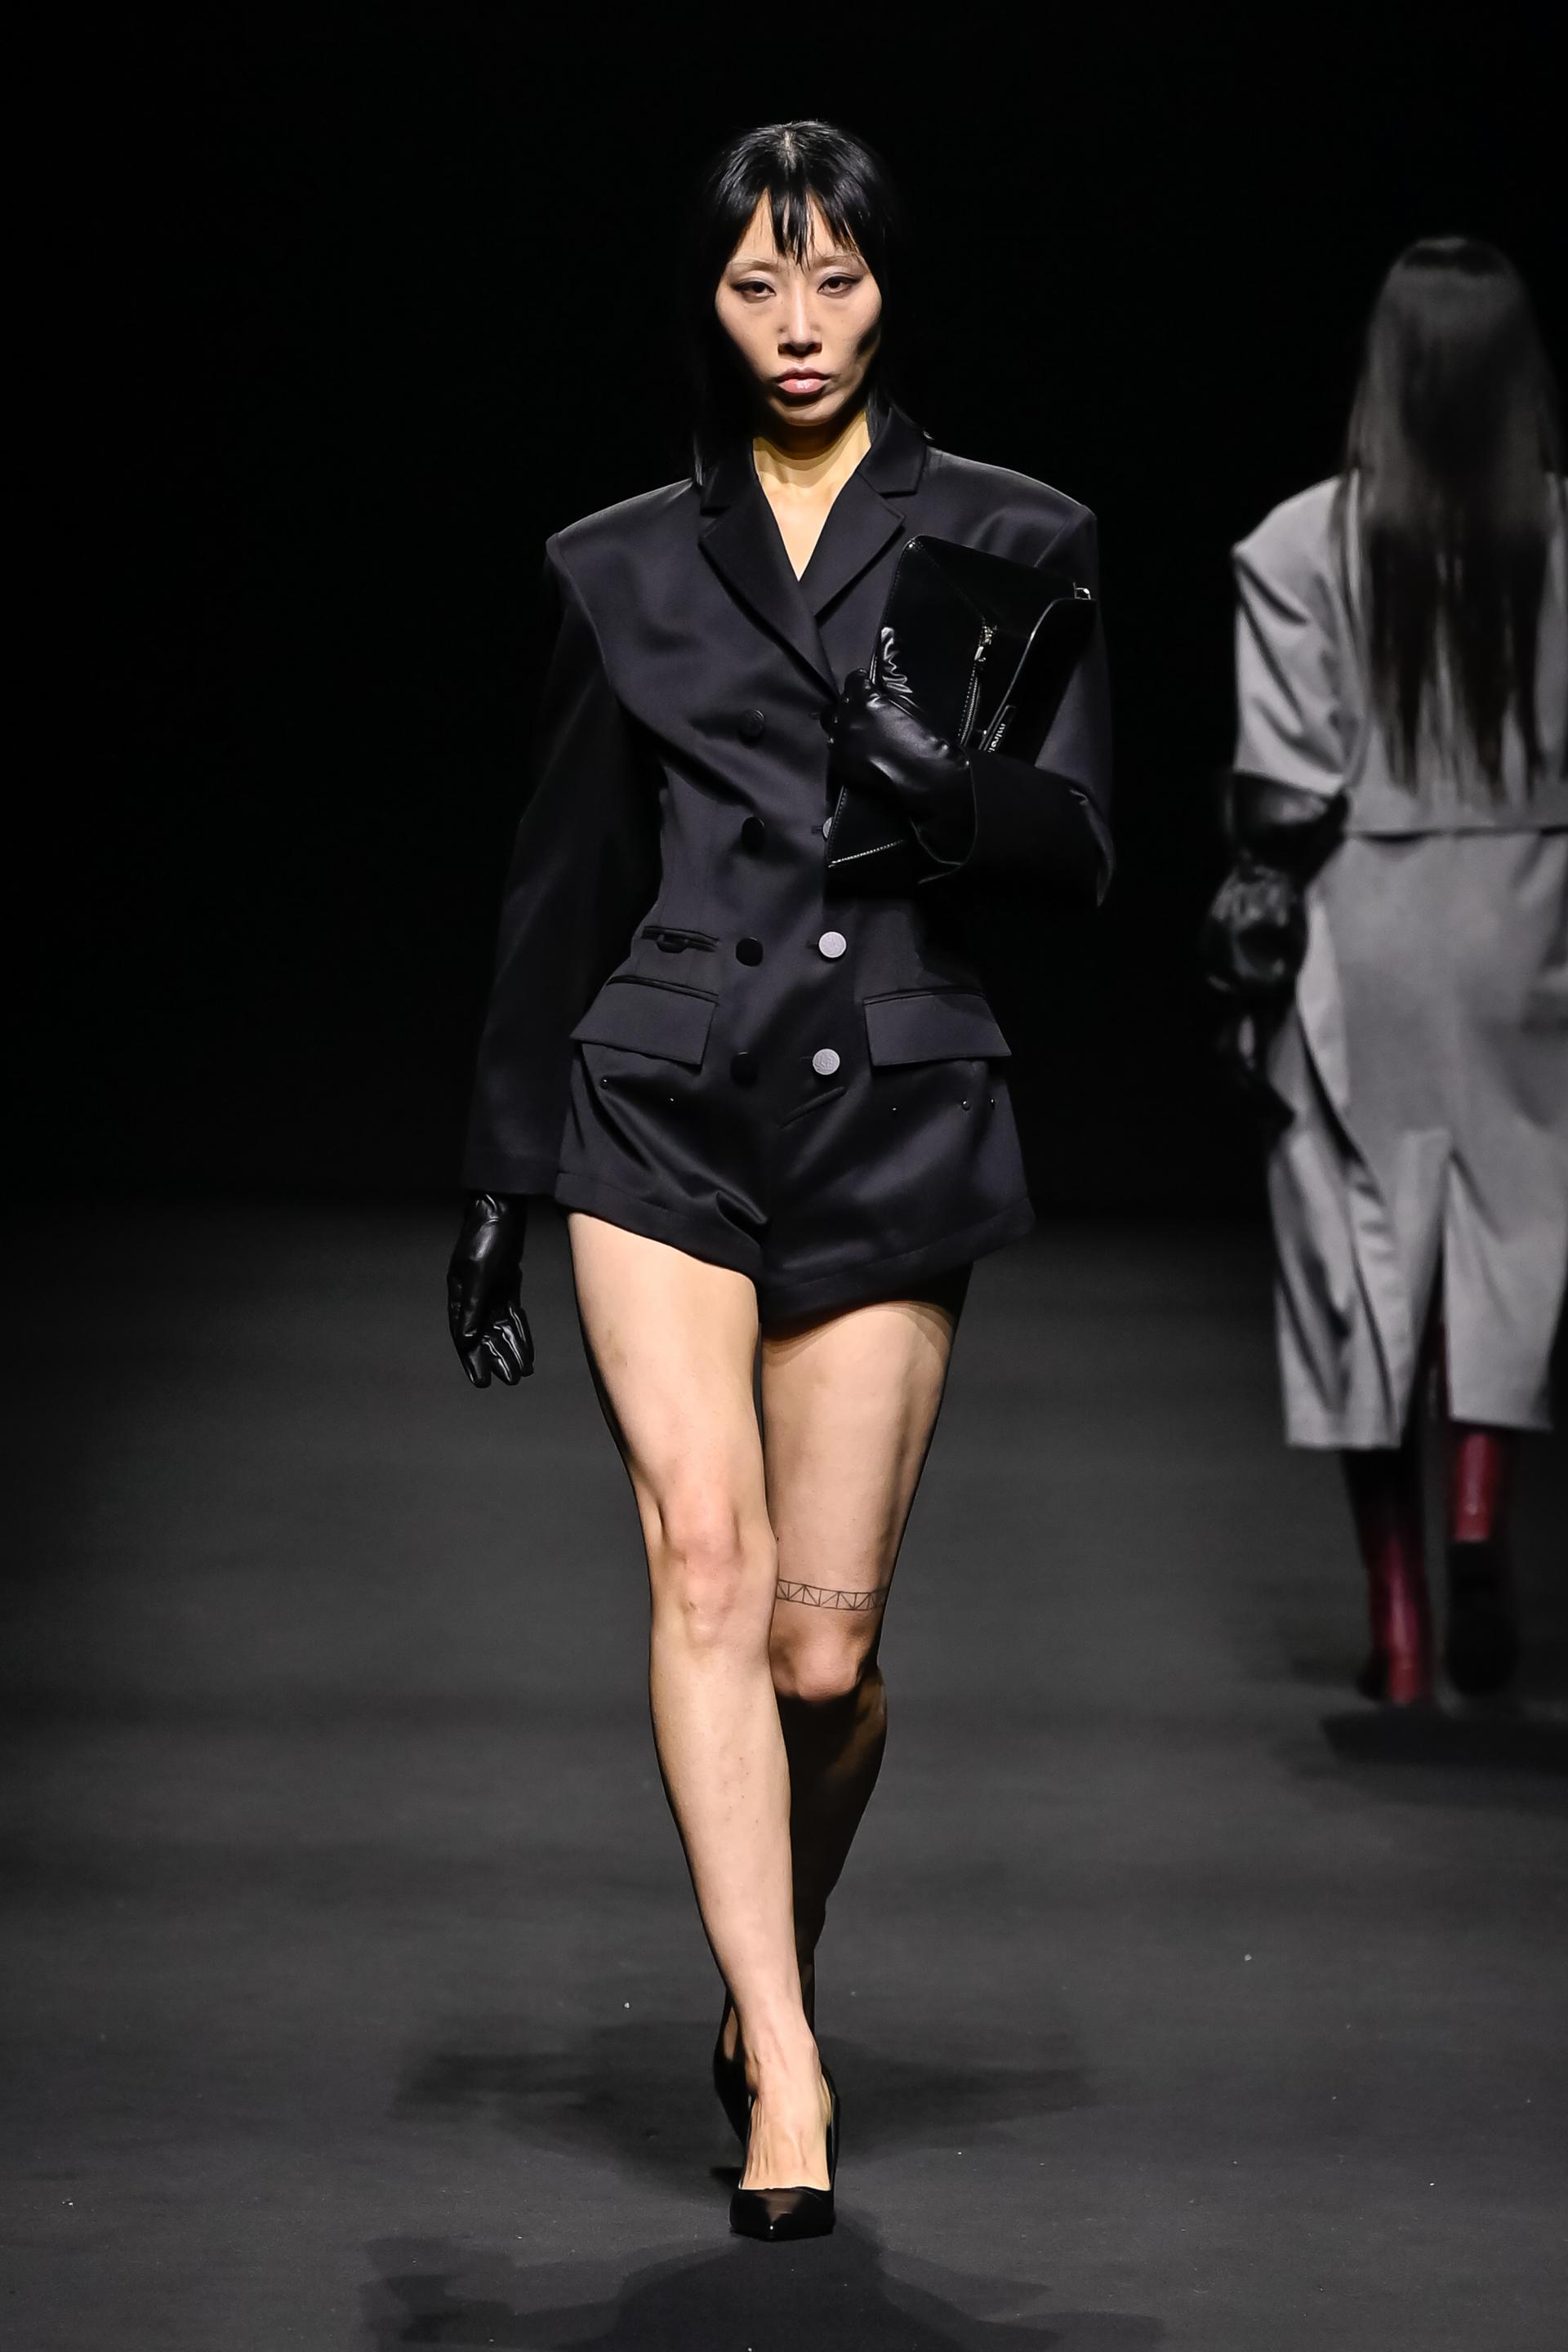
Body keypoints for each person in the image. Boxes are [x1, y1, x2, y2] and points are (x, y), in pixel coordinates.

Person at [445, 120, 1111, 2237]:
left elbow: (1087, 842)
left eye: (835, 280)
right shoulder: (620, 561)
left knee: (822, 1662)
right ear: (709, 298)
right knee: (706, 1573)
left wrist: (957, 800)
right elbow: (562, 882)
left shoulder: (1015, 531)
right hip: (661, 1101)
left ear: (890, 288)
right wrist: (503, 1167)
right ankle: (788, 2068)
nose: (801, 325)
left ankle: (771, 1965)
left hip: (892, 1106)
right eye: (757, 285)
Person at [1205, 238, 1566, 1707]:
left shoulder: (1302, 545)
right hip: (1537, 925)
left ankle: (1403, 1628)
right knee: (1514, 1236)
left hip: (1369, 927)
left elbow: (1285, 788)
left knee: (1360, 1258)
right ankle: (1480, 1514)